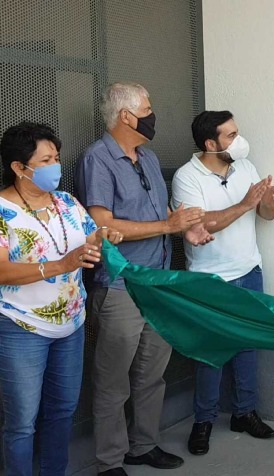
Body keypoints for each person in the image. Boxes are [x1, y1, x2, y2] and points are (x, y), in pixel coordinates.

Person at [75, 82, 214, 476]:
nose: (153, 116)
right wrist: (166, 225)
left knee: (152, 374)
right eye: (148, 109)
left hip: (159, 283)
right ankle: (109, 462)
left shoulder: (148, 158)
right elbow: (101, 223)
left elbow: (165, 213)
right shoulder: (97, 159)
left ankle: (143, 446)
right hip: (120, 285)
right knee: (113, 381)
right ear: (126, 116)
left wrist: (187, 231)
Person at [0, 122, 121, 476]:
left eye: (57, 157)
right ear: (19, 168)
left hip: (71, 323)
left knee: (63, 410)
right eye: (46, 159)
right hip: (21, 327)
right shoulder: (2, 211)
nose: (56, 166)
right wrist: (60, 265)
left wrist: (103, 235)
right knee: (22, 421)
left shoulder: (66, 202)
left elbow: (89, 239)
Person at [171, 110, 274, 456]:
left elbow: (268, 215)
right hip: (210, 279)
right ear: (210, 143)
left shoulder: (245, 167)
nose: (238, 140)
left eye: (237, 132)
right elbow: (201, 224)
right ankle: (203, 420)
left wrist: (266, 199)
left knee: (248, 345)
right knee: (211, 351)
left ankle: (245, 412)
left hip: (250, 270)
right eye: (230, 135)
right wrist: (245, 202)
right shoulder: (186, 177)